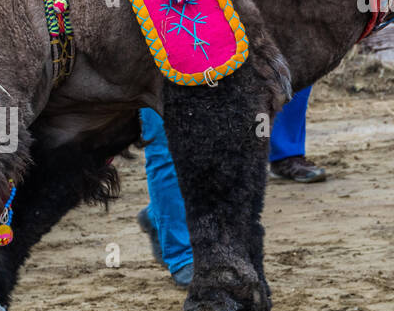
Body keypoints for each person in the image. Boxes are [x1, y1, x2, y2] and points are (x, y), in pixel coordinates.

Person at [137, 87, 326, 287]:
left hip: (212, 60)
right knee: (166, 139)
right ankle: (183, 256)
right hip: (156, 60)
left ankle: (160, 215)